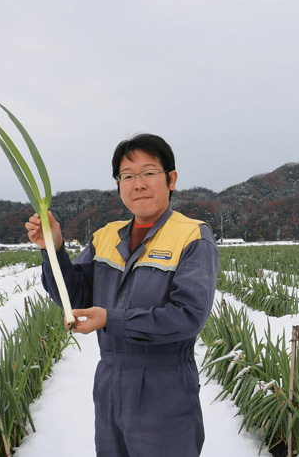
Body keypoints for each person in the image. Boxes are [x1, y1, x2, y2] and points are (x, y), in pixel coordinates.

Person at [24, 133, 219, 457]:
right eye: (127, 176)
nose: (138, 184)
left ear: (171, 179)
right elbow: (75, 297)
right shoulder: (105, 236)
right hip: (110, 382)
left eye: (148, 173)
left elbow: (187, 316)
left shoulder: (192, 236)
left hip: (164, 384)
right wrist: (53, 249)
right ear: (118, 185)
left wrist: (110, 320)